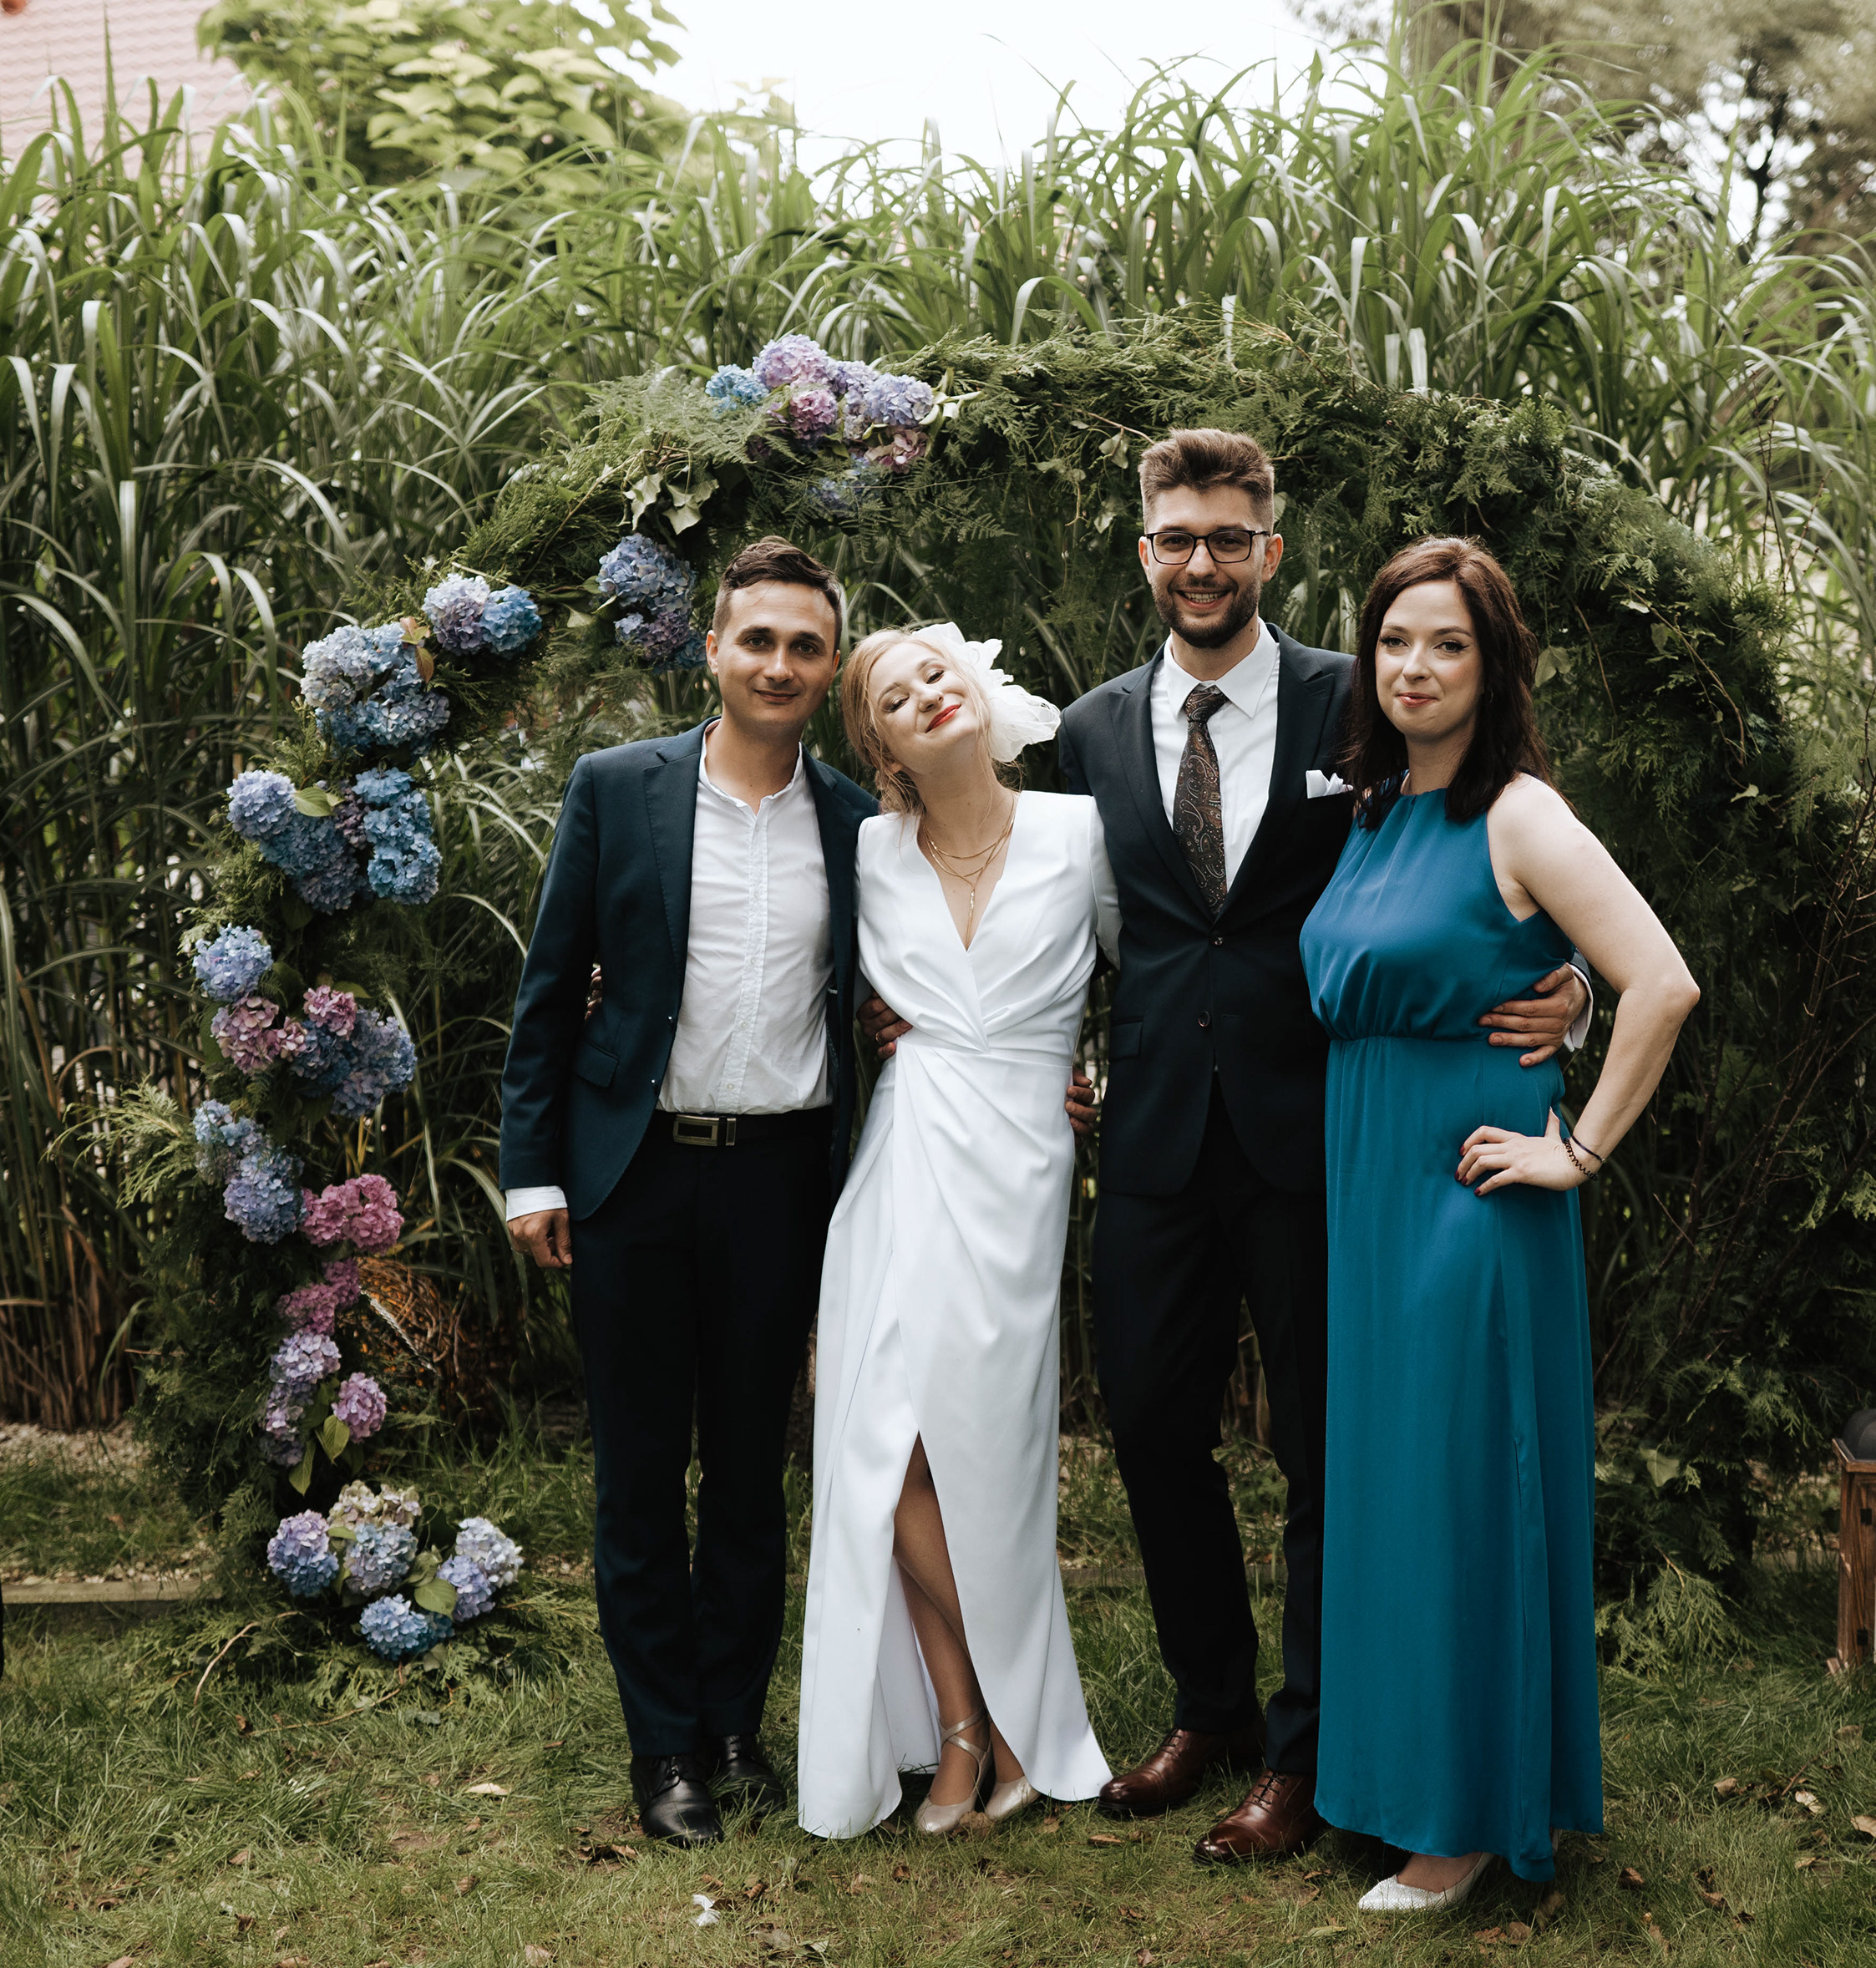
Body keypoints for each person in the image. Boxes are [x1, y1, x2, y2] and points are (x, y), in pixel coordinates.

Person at [1047, 430, 1588, 1868]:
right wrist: (1006, 1047)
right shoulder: (1090, 728)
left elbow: (1483, 855)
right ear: (1146, 552)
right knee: (1151, 1428)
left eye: (1230, 538)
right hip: (1153, 1132)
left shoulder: (1362, 696)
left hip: (1325, 1141)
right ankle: (1210, 1708)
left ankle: (1307, 1749)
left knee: (1323, 1447)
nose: (1203, 563)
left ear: (1271, 552)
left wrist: (1573, 993)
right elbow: (1071, 915)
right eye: (1178, 538)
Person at [1300, 536, 1700, 1911]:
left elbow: (1662, 982)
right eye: (1395, 641)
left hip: (1470, 1189)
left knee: (1458, 1487)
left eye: (1449, 644)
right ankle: (1397, 1782)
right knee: (1394, 1488)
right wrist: (1564, 987)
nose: (1415, 666)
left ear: (1496, 667)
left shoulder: (1520, 813)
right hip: (1372, 1188)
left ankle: (1463, 1822)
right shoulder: (1375, 808)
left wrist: (1576, 1149)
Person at [497, 538, 879, 1849]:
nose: (778, 664)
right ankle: (663, 1748)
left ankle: (731, 1729)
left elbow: (901, 986)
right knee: (641, 1476)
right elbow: (551, 988)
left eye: (804, 646)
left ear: (829, 668)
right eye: (756, 639)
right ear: (712, 649)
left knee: (752, 1475)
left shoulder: (858, 822)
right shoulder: (619, 788)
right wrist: (532, 1171)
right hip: (634, 1175)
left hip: (783, 1179)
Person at [795, 624, 1118, 1840]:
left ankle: (1002, 1726)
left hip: (1023, 1164)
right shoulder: (867, 852)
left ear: (978, 690)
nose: (927, 693)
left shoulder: (1081, 832)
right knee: (882, 1446)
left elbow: (1166, 978)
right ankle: (970, 1724)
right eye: (895, 694)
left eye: (937, 671)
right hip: (906, 1152)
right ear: (880, 746)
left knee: (981, 1450)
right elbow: (794, 979)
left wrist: (1105, 1084)